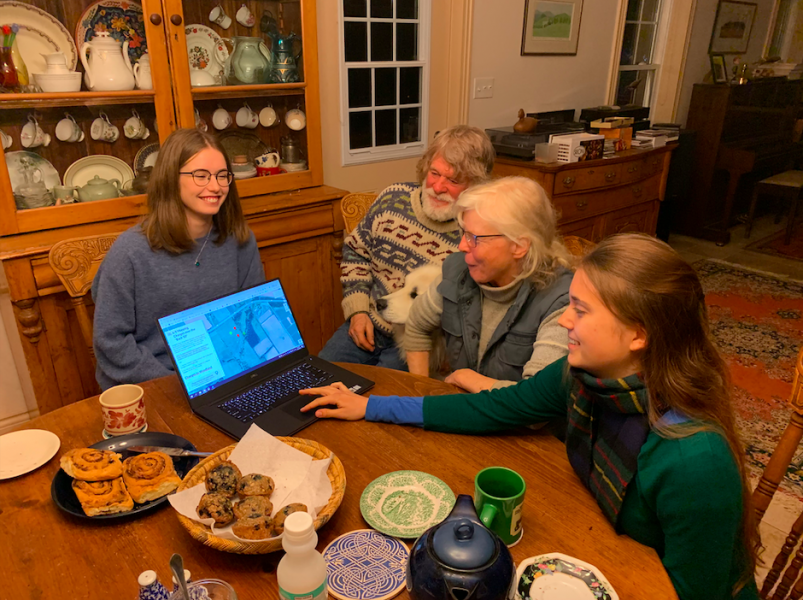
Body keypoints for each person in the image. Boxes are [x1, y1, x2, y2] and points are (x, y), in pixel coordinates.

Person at [300, 233, 760, 600]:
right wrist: (370, 405)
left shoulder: (693, 457)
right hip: (593, 549)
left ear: (638, 334)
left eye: (579, 310)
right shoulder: (582, 377)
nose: (564, 322)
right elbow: (490, 409)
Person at [92, 128, 265, 390]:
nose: (215, 186)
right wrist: (177, 386)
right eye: (200, 176)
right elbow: (111, 343)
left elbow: (251, 315)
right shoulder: (130, 251)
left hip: (224, 375)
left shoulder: (240, 240)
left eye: (222, 176)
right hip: (151, 383)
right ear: (171, 179)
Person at [319, 124, 495, 370]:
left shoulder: (476, 232)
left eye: (453, 180)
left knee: (378, 405)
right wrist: (357, 311)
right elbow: (356, 253)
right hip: (368, 322)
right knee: (315, 378)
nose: (438, 186)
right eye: (434, 173)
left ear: (474, 185)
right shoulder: (393, 198)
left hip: (421, 343)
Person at [402, 176, 573, 392]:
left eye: (474, 238)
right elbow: (417, 326)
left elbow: (538, 401)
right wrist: (421, 391)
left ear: (519, 246)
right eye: (463, 233)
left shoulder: (562, 301)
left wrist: (470, 380)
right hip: (460, 414)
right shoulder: (458, 271)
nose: (462, 246)